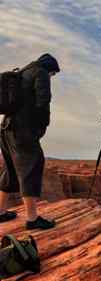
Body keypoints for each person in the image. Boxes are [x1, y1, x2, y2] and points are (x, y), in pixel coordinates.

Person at [0, 53, 60, 230]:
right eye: (53, 74)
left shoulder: (22, 72)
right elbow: (43, 101)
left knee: (10, 170)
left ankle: (1, 212)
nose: (52, 77)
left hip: (6, 129)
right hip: (22, 131)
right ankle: (33, 219)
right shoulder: (40, 72)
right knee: (32, 167)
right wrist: (41, 127)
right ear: (49, 67)